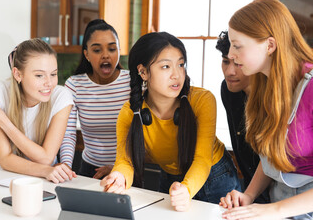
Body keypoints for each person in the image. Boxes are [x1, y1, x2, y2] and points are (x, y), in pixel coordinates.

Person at [100, 32, 241, 211]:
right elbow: (125, 160)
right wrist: (119, 177)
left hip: (215, 175)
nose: (177, 74)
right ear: (143, 72)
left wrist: (187, 189)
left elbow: (202, 160)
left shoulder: (202, 100)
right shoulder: (129, 112)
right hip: (171, 177)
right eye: (166, 66)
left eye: (181, 65)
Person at [219, 0, 313, 220]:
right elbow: (271, 157)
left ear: (269, 45)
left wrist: (273, 210)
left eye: (237, 46)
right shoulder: (264, 83)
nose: (230, 54)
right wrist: (249, 196)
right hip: (279, 205)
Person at [0, 38, 76, 183]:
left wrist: (3, 122)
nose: (49, 83)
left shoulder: (61, 97)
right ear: (18, 74)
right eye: (39, 75)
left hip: (48, 177)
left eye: (53, 74)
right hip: (6, 174)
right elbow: (5, 158)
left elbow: (46, 158)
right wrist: (46, 170)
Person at [59, 19, 130, 179]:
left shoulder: (133, 83)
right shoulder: (74, 84)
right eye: (97, 50)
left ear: (119, 50)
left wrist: (118, 167)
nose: (106, 55)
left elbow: (142, 136)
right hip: (89, 170)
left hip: (126, 170)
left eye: (112, 49)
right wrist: (65, 166)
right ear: (87, 54)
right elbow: (68, 134)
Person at [217, 31, 270, 203]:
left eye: (238, 64)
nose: (230, 71)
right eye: (225, 62)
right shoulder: (228, 90)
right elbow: (239, 144)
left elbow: (269, 155)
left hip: (283, 189)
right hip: (251, 189)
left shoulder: (271, 96)